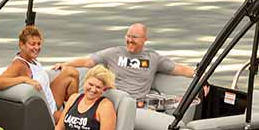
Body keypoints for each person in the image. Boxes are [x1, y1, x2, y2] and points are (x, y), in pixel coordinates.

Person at [56, 23, 196, 101]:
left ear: (145, 40)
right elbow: (88, 62)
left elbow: (179, 69)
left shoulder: (153, 58)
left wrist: (200, 76)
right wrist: (66, 64)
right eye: (128, 36)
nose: (130, 40)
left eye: (134, 37)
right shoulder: (114, 53)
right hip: (113, 98)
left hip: (135, 103)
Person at [0, 25, 80, 121]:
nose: (37, 47)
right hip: (48, 112)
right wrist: (25, 79)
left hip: (51, 100)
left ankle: (73, 110)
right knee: (74, 121)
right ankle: (73, 115)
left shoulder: (33, 60)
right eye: (32, 44)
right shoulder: (19, 64)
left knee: (71, 72)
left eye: (38, 44)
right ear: (22, 45)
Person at [36, 65, 117, 130]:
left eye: (98, 87)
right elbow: (60, 127)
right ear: (85, 82)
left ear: (103, 89)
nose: (93, 90)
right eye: (90, 84)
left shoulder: (105, 106)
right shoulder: (74, 98)